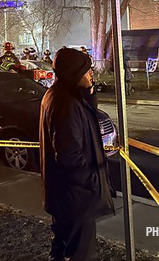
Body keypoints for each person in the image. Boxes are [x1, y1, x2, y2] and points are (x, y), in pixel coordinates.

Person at [40, 48, 115, 261]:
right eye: (87, 70)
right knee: (81, 254)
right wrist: (90, 183)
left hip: (66, 197)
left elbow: (88, 118)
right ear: (74, 74)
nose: (92, 73)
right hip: (76, 199)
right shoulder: (67, 104)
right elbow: (69, 155)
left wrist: (89, 93)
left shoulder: (61, 96)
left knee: (62, 250)